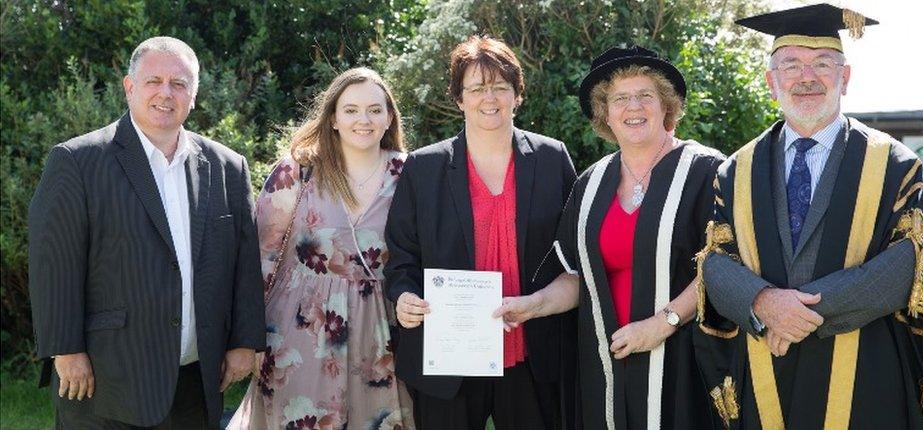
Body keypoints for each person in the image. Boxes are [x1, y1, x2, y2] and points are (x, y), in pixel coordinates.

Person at [695, 4, 923, 429]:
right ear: (771, 82)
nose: (807, 77)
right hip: (767, 368)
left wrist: (800, 314)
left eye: (822, 63)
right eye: (791, 65)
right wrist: (764, 303)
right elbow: (715, 261)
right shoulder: (735, 171)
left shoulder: (893, 164)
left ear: (845, 77)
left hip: (863, 371)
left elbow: (909, 265)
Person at [28, 36, 264, 428]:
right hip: (106, 380)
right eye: (153, 80)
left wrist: (244, 340)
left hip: (195, 377)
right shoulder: (78, 161)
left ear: (194, 94)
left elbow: (243, 261)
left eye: (179, 83)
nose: (165, 93)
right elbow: (53, 261)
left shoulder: (228, 167)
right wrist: (65, 350)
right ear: (129, 86)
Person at [495, 45, 726, 429]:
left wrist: (663, 322)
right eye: (620, 98)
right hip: (607, 361)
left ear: (666, 105)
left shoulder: (705, 172)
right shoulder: (592, 183)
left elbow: (722, 263)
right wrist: (533, 305)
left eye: (645, 96)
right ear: (605, 113)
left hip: (683, 360)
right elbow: (575, 275)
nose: (633, 107)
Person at [384, 35, 577, 430]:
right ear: (459, 98)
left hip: (533, 354)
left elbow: (574, 256)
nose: (489, 98)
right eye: (476, 88)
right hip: (449, 358)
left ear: (517, 95)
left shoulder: (552, 158)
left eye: (500, 87)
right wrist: (404, 298)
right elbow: (402, 256)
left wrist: (540, 301)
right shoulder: (423, 168)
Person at [227, 67, 415, 429]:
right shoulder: (299, 170)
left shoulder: (409, 173)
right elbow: (260, 257)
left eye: (375, 110)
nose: (364, 119)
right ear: (332, 118)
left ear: (390, 116)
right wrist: (246, 336)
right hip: (300, 331)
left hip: (383, 333)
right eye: (351, 110)